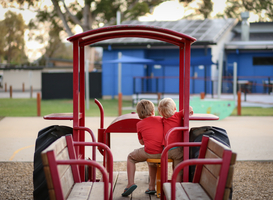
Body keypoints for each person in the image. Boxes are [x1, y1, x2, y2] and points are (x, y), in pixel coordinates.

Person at [122, 99, 164, 197]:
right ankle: (151, 186)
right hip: (163, 152)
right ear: (153, 111)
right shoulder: (161, 119)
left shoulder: (139, 124)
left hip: (150, 152)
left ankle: (130, 184)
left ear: (138, 113)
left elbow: (141, 142)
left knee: (130, 157)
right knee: (151, 160)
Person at [158, 98, 193, 181]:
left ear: (160, 112)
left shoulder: (162, 120)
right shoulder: (177, 115)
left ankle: (165, 183)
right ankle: (176, 186)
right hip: (177, 149)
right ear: (174, 108)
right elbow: (189, 108)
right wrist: (190, 111)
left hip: (166, 150)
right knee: (178, 170)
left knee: (167, 167)